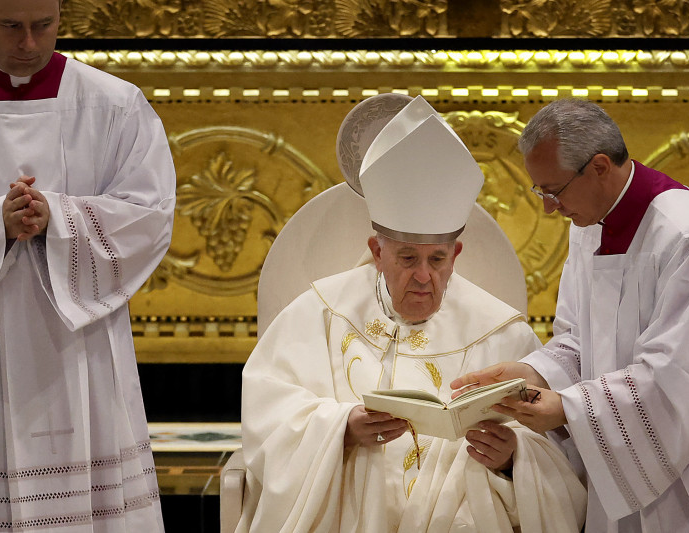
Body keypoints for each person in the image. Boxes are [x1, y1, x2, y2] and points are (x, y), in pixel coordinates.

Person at [237, 95, 586, 532]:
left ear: (456, 254)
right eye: (407, 259)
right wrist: (341, 428)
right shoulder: (320, 314)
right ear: (376, 252)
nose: (424, 277)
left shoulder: (503, 335)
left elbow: (560, 458)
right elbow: (267, 418)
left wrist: (512, 459)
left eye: (437, 260)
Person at [0, 0, 175, 530]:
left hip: (79, 345)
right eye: (11, 27)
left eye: (43, 25)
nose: (28, 44)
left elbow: (149, 214)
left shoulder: (114, 104)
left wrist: (58, 218)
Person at [452, 98, 689, 532]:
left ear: (599, 166)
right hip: (617, 479)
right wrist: (531, 373)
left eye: (554, 190)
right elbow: (577, 340)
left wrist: (568, 407)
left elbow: (680, 377)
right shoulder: (588, 227)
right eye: (540, 191)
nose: (548, 207)